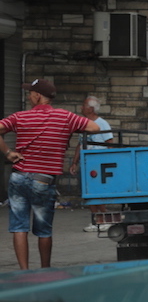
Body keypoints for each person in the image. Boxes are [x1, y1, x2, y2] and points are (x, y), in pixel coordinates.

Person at [0, 78, 100, 270]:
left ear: (38, 96)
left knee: (19, 227)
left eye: (30, 93)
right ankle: (45, 269)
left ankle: (24, 272)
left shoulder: (20, 117)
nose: (29, 96)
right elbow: (94, 128)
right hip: (43, 180)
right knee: (44, 230)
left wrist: (8, 152)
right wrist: (67, 133)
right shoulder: (65, 117)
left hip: (19, 176)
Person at [70, 96, 113, 232]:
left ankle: (105, 218)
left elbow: (110, 143)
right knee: (88, 193)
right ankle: (95, 220)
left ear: (91, 109)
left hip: (98, 163)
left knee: (98, 192)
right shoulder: (83, 124)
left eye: (84, 105)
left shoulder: (102, 123)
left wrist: (109, 161)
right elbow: (80, 144)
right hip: (86, 162)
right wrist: (74, 162)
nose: (81, 108)